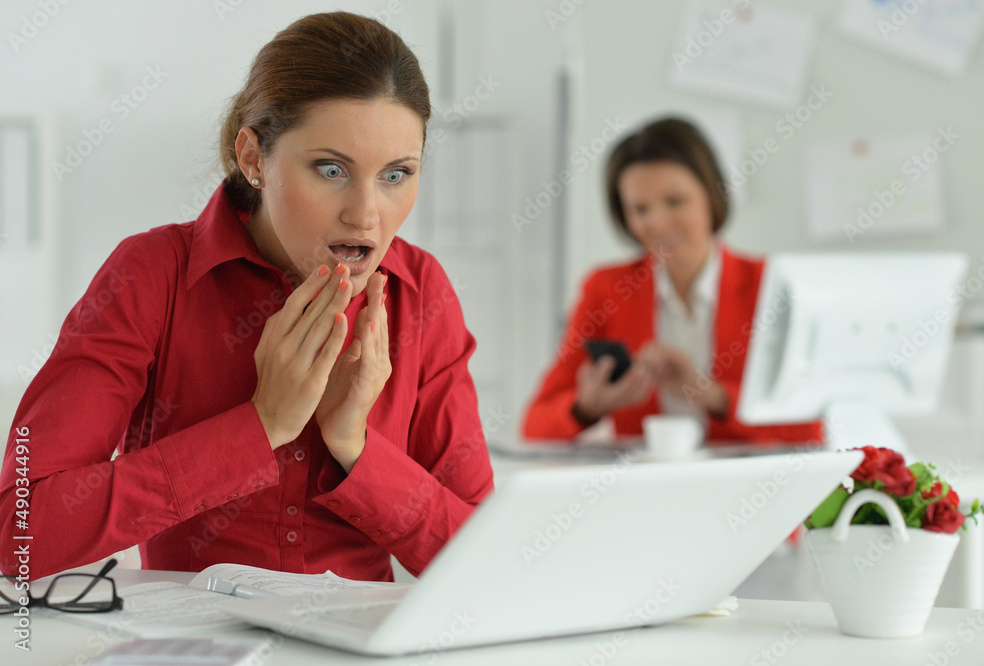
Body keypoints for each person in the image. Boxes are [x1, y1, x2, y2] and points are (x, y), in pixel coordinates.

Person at [0, 12, 493, 582]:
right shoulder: (151, 275)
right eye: (330, 169)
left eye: (396, 175)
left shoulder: (421, 291)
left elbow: (486, 566)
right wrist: (257, 428)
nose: (365, 215)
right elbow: (20, 533)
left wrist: (356, 448)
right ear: (254, 158)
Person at [522, 117, 822, 444]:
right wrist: (586, 408)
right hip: (645, 488)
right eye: (640, 209)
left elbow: (813, 428)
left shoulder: (771, 285)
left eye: (675, 202)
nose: (658, 224)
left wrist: (714, 396)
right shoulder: (606, 289)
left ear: (711, 195)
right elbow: (534, 424)